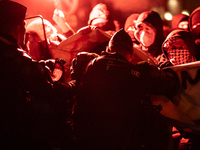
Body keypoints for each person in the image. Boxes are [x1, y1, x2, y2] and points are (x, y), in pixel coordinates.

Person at [71, 28, 180, 150]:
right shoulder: (136, 73)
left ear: (108, 49)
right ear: (131, 54)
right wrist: (162, 67)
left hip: (84, 137)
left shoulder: (88, 65)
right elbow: (171, 87)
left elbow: (74, 85)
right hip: (120, 140)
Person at [0, 1, 77, 149]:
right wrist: (73, 83)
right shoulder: (16, 57)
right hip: (11, 132)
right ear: (19, 27)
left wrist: (43, 65)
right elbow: (49, 91)